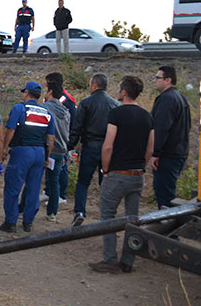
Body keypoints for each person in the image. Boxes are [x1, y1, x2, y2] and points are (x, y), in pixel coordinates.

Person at [89, 76, 154, 273]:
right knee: (132, 220)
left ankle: (110, 259)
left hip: (118, 173)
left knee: (108, 216)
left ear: (124, 92)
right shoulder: (147, 116)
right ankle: (128, 260)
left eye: (119, 89)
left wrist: (106, 169)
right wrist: (141, 166)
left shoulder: (116, 114)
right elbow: (150, 149)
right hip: (137, 174)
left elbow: (108, 146)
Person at [0, 81, 54, 233]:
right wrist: (47, 157)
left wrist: (4, 149)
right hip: (40, 153)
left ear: (27, 93)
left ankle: (10, 222)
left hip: (22, 152)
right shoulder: (47, 113)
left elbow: (11, 130)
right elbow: (50, 138)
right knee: (33, 189)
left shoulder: (20, 108)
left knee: (13, 187)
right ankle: (28, 223)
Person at [68, 73, 118, 226]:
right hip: (108, 148)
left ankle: (80, 211)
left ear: (94, 85)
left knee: (83, 182)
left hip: (90, 146)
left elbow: (77, 127)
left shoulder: (86, 103)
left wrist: (70, 146)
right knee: (105, 183)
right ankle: (106, 215)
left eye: (90, 84)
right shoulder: (115, 105)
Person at [150, 66, 191, 209]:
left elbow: (161, 128)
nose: (154, 81)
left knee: (165, 198)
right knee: (168, 194)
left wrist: (155, 153)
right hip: (179, 152)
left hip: (168, 155)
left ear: (168, 80)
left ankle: (167, 230)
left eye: (157, 77)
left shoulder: (166, 99)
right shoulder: (180, 97)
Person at [40, 82, 70, 222]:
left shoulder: (45, 108)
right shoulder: (65, 110)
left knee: (34, 178)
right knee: (55, 181)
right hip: (61, 150)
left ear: (50, 92)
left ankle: (24, 207)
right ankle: (52, 212)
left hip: (48, 149)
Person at [46, 72, 77, 203]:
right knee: (51, 168)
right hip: (53, 138)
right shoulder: (53, 97)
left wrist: (69, 142)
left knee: (61, 168)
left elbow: (73, 120)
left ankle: (61, 195)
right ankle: (49, 192)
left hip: (61, 139)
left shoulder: (66, 100)